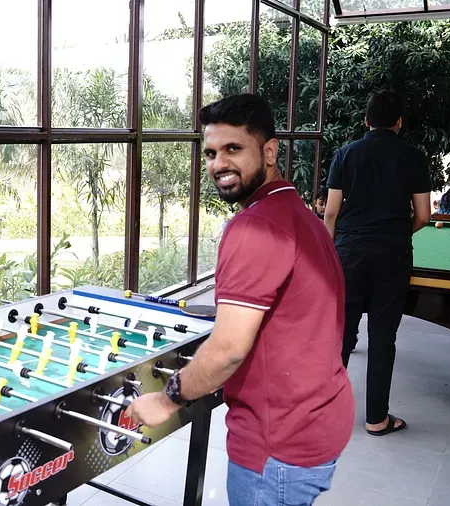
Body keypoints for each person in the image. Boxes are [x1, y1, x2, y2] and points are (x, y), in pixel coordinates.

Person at [126, 94, 354, 506]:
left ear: (269, 151)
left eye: (233, 149)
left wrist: (165, 400)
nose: (218, 164)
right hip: (319, 419)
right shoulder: (299, 213)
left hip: (278, 444)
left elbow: (229, 350)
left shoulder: (254, 228)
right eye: (211, 152)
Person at [323, 89, 431, 437]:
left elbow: (331, 213)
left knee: (341, 335)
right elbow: (424, 215)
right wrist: (399, 232)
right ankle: (376, 420)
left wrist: (332, 250)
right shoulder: (413, 157)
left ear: (366, 120)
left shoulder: (345, 154)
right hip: (393, 253)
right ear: (399, 122)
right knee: (383, 337)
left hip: (349, 252)